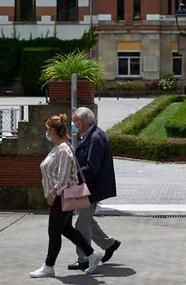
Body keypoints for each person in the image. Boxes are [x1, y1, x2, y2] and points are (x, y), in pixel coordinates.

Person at [30, 114, 102, 278]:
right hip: (61, 197)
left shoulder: (63, 149)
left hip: (61, 197)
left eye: (47, 130)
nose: (46, 133)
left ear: (53, 131)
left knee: (54, 231)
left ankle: (49, 266)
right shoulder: (60, 148)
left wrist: (53, 194)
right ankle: (92, 254)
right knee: (66, 229)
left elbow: (62, 178)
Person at [68, 107, 121, 271]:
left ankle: (83, 258)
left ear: (82, 123)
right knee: (87, 220)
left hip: (91, 188)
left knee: (81, 225)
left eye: (75, 122)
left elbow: (92, 167)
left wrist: (72, 176)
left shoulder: (96, 138)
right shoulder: (92, 135)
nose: (73, 125)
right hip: (90, 187)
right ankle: (109, 244)